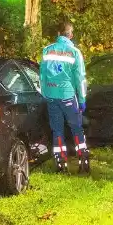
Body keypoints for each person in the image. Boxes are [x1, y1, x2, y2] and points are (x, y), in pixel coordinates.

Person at [40, 21, 90, 174]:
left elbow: (42, 75)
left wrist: (45, 93)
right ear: (71, 35)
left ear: (58, 34)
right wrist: (82, 100)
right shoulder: (74, 52)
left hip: (51, 96)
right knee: (76, 128)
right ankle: (83, 161)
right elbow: (80, 78)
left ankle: (61, 164)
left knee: (57, 130)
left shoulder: (47, 50)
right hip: (68, 95)